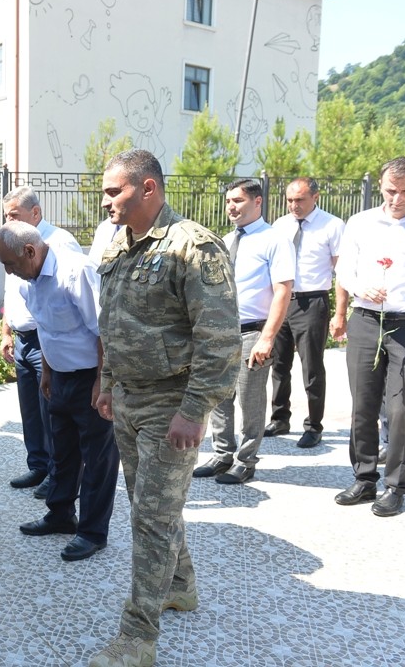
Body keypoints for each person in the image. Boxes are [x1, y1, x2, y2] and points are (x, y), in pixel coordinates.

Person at [90, 150, 240, 667]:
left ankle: (137, 637)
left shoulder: (194, 247)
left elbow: (219, 338)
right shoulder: (118, 247)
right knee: (151, 505)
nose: (105, 199)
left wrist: (195, 409)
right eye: (105, 190)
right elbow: (111, 320)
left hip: (171, 402)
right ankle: (181, 584)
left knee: (151, 518)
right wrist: (108, 381)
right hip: (129, 398)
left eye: (115, 191)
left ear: (148, 188)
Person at [0, 221, 118, 562]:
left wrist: (102, 382)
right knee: (61, 453)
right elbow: (46, 330)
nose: (9, 271)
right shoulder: (29, 283)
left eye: (11, 264)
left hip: (91, 378)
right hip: (59, 377)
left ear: (30, 251)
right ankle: (61, 515)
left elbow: (103, 331)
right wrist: (47, 372)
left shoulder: (75, 272)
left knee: (96, 459)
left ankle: (92, 533)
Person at [193, 179, 294, 484]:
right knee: (219, 397)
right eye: (228, 202)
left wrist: (267, 337)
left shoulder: (274, 239)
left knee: (250, 400)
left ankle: (246, 460)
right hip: (221, 332)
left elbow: (283, 290)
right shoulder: (225, 240)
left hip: (253, 332)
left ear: (258, 202)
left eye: (237, 200)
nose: (231, 207)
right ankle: (223, 453)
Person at [331, 156, 405, 517]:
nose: (397, 199)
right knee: (362, 405)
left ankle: (395, 485)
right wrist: (359, 286)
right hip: (366, 319)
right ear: (380, 187)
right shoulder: (360, 223)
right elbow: (344, 269)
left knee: (401, 409)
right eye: (391, 191)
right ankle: (364, 478)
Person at [0, 186, 83, 499]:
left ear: (36, 213)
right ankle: (38, 464)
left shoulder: (59, 242)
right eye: (6, 215)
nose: (8, 221)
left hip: (47, 339)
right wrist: (6, 331)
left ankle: (56, 472)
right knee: (31, 409)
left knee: (53, 411)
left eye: (14, 215)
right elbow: (11, 291)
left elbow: (74, 296)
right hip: (23, 339)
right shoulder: (13, 241)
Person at [266, 177, 345, 448]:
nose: (293, 205)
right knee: (278, 363)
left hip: (312, 303)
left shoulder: (332, 226)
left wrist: (340, 313)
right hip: (281, 300)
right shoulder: (280, 225)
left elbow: (341, 271)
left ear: (316, 197)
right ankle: (279, 418)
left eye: (299, 200)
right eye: (289, 200)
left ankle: (313, 426)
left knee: (311, 366)